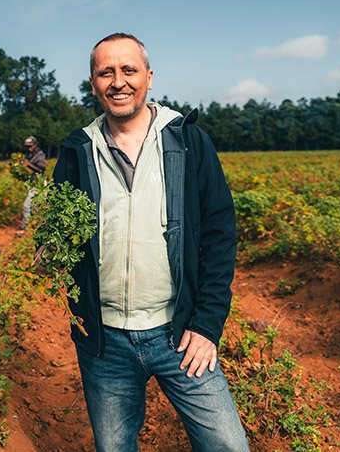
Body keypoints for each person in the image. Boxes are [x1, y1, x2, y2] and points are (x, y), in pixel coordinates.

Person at [51, 33, 249, 452]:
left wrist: (207, 325)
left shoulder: (187, 140)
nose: (118, 81)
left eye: (129, 70)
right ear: (92, 83)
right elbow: (63, 238)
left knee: (228, 446)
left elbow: (219, 233)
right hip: (104, 343)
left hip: (179, 334)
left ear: (149, 77)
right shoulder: (75, 151)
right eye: (106, 72)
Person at [17, 135, 46, 233]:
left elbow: (41, 169)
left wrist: (29, 165)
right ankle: (35, 228)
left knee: (26, 206)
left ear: (35, 145)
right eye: (27, 146)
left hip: (38, 185)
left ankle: (25, 227)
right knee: (35, 208)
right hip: (33, 184)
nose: (29, 148)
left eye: (30, 146)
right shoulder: (29, 154)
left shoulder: (40, 155)